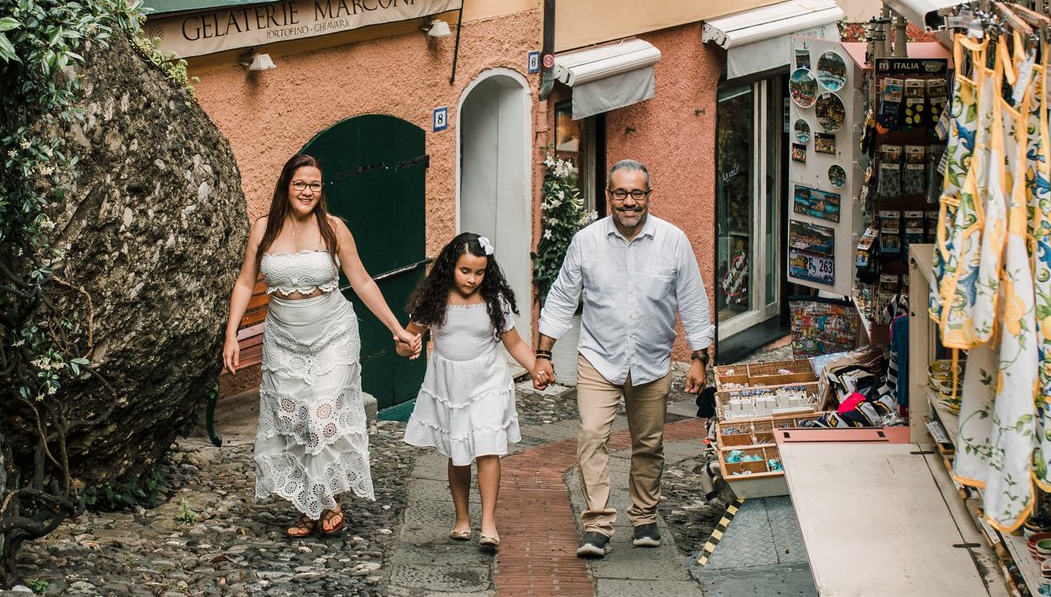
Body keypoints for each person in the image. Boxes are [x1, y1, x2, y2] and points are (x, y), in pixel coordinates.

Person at [225, 154, 421, 538]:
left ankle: (325, 504)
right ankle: (311, 505)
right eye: (300, 183)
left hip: (333, 335)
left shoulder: (333, 228)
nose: (307, 191)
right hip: (283, 341)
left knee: (321, 416)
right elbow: (246, 282)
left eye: (314, 185)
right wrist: (231, 333)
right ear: (286, 186)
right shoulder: (264, 228)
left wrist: (396, 328)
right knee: (295, 422)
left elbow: (362, 281)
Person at [531, 160, 714, 558]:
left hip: (651, 359)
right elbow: (561, 298)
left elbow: (694, 301)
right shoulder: (587, 241)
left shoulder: (673, 241)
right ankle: (597, 524)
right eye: (620, 193)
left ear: (649, 195)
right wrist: (543, 353)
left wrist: (699, 358)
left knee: (648, 443)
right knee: (592, 436)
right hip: (599, 357)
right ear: (608, 196)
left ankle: (645, 516)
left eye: (637, 193)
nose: (629, 202)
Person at [399, 232, 544, 553]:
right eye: (465, 271)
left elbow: (514, 343)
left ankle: (489, 524)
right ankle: (462, 519)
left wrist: (536, 367)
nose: (472, 279)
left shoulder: (494, 300)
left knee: (488, 447)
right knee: (459, 451)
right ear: (450, 266)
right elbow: (407, 338)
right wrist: (407, 345)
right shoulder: (434, 299)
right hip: (451, 384)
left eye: (479, 272)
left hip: (488, 380)